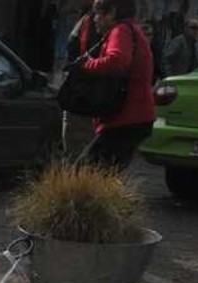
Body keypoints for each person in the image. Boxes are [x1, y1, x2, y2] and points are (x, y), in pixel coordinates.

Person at [75, 0, 155, 170]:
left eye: (98, 14)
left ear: (111, 12)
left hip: (126, 118)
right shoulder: (130, 29)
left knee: (82, 172)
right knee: (102, 174)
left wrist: (85, 66)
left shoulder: (121, 30)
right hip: (132, 118)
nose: (94, 19)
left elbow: (117, 61)